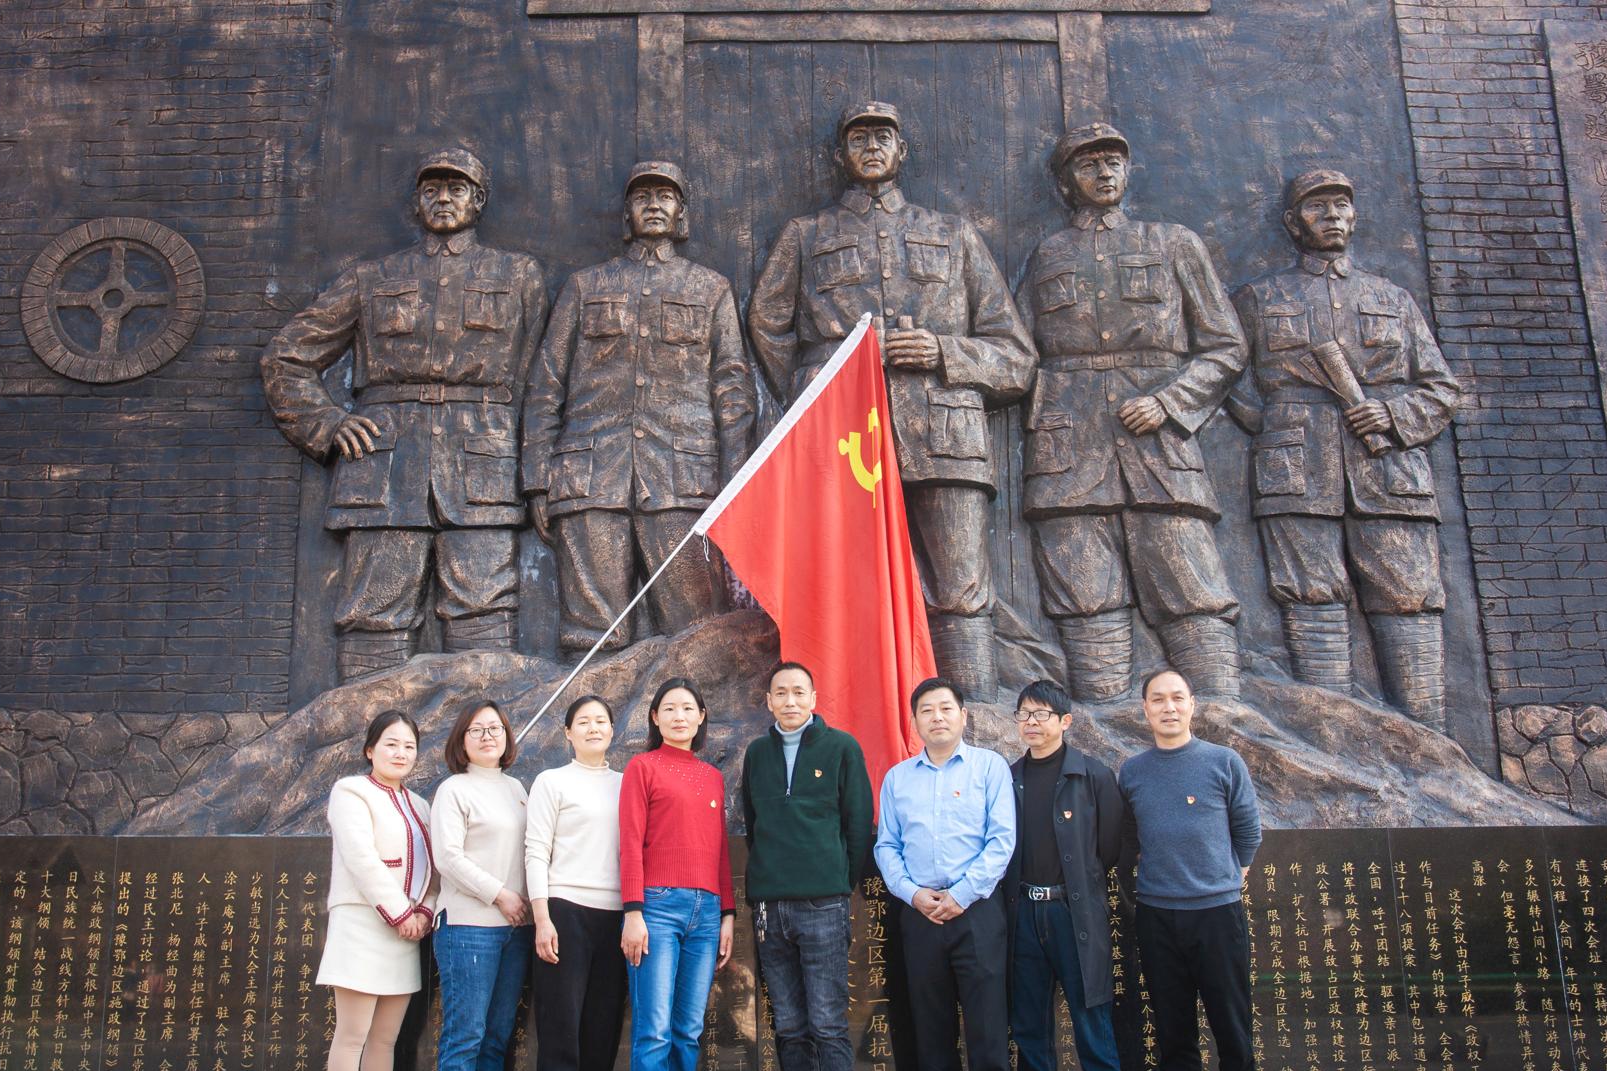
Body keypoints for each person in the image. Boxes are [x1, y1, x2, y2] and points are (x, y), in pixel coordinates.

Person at [749, 101, 1035, 699]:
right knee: (842, 587)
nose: (872, 147)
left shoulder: (954, 235)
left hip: (944, 439)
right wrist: (821, 390)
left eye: (884, 138)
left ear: (902, 151)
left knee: (961, 587)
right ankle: (848, 717)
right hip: (841, 440)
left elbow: (1015, 356)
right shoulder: (805, 236)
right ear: (838, 157)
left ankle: (975, 717)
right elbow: (769, 329)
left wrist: (939, 352)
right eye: (858, 139)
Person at [262, 147, 547, 680]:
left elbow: (539, 383)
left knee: (484, 609)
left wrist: (536, 479)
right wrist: (326, 424)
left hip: (483, 463)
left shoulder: (519, 275)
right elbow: (287, 355)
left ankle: (485, 745)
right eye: (431, 189)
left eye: (456, 188)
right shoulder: (373, 277)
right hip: (385, 465)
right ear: (416, 202)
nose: (443, 198)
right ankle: (365, 745)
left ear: (478, 201)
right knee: (375, 615)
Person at [1017, 122, 1247, 701]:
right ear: (1066, 181)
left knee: (1189, 583)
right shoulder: (1048, 254)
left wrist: (1172, 402)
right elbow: (1016, 350)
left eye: (1113, 161)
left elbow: (1226, 346)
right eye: (1088, 164)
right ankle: (1098, 720)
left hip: (1158, 445)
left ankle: (1224, 718)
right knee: (1082, 588)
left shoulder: (1174, 243)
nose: (1103, 172)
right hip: (1067, 445)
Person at [1226, 169, 1462, 728]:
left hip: (1389, 466)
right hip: (1295, 468)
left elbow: (1442, 387)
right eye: (1317, 207)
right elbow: (1227, 379)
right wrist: (1276, 423)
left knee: (1409, 597)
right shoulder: (1259, 298)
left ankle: (1433, 747)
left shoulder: (1391, 297)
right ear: (1292, 223)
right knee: (1310, 598)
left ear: (1354, 218)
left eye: (1341, 205)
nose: (1332, 215)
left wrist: (1394, 413)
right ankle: (1339, 740)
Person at [522, 161, 755, 655]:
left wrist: (735, 483)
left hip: (684, 483)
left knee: (695, 633)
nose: (653, 204)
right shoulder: (584, 287)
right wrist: (537, 479)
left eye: (665, 196)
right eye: (642, 196)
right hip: (589, 480)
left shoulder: (710, 289)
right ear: (626, 213)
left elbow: (733, 392)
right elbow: (546, 384)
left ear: (681, 214)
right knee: (590, 636)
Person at [1123, 668, 1267, 1071]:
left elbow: (1247, 828)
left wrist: (1229, 875)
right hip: (1158, 916)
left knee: (1232, 1032)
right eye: (1157, 699)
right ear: (1145, 709)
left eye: (1177, 698)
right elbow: (1127, 838)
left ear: (1192, 705)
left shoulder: (1222, 762)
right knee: (1174, 1034)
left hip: (1217, 914)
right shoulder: (1133, 771)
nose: (1168, 707)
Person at [1001, 680, 1148, 1071]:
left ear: (1066, 722)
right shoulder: (1008, 778)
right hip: (1023, 919)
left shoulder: (1094, 776)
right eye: (1024, 713)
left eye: (1043, 714)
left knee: (1095, 1032)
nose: (1032, 722)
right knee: (1031, 1037)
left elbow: (1112, 849)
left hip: (1076, 918)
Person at [874, 677, 1015, 1071]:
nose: (936, 717)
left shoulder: (989, 768)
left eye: (945, 708)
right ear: (913, 722)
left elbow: (1001, 841)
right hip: (920, 913)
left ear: (962, 715)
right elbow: (886, 846)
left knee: (984, 1031)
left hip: (974, 912)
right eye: (926, 710)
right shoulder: (897, 778)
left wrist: (960, 895)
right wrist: (913, 894)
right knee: (932, 1033)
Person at [740, 662, 873, 1071]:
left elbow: (858, 824)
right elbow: (754, 825)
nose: (790, 700)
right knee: (790, 1026)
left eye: (799, 692)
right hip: (773, 905)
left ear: (815, 697)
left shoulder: (841, 748)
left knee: (829, 1025)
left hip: (824, 903)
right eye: (780, 692)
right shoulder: (756, 753)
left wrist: (837, 880)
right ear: (768, 700)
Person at [618, 677, 736, 1071]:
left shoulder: (712, 776)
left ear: (703, 715)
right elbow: (629, 842)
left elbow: (720, 850)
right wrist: (633, 910)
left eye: (688, 707)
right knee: (655, 1032)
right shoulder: (642, 767)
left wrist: (727, 913)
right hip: (658, 909)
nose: (679, 716)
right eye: (669, 708)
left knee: (687, 1033)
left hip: (706, 913)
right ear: (655, 719)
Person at [316, 710, 435, 1071]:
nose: (400, 753)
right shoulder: (350, 792)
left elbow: (434, 868)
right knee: (352, 1034)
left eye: (408, 746)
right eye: (391, 744)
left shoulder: (421, 805)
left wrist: (424, 910)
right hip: (365, 923)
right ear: (370, 749)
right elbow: (361, 857)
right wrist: (400, 911)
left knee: (385, 1040)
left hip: (407, 931)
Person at [525, 695, 634, 1071]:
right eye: (583, 722)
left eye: (601, 721)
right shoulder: (552, 782)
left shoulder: (627, 783)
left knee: (600, 1030)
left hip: (616, 916)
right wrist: (542, 916)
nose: (593, 728)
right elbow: (535, 851)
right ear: (567, 733)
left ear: (613, 730)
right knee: (562, 1029)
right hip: (565, 910)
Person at [430, 701, 532, 1071]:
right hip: (470, 925)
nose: (488, 736)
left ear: (508, 737)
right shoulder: (453, 789)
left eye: (495, 728)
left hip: (515, 930)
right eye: (477, 729)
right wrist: (500, 895)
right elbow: (447, 858)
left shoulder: (516, 789)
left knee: (495, 1037)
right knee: (465, 1034)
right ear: (461, 740)